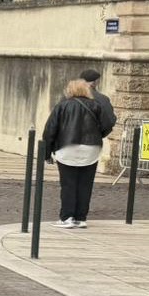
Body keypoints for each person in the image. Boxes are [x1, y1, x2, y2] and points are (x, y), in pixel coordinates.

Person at [42, 78, 114, 229]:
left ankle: (67, 217)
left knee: (68, 184)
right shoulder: (96, 106)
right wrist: (96, 136)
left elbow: (50, 130)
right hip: (91, 149)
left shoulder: (63, 106)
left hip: (68, 147)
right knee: (85, 185)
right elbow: (107, 125)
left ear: (70, 90)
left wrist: (46, 153)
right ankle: (81, 218)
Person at [81, 68, 118, 141]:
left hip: (68, 142)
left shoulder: (67, 97)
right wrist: (99, 135)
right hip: (92, 141)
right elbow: (110, 121)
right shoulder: (102, 99)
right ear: (94, 83)